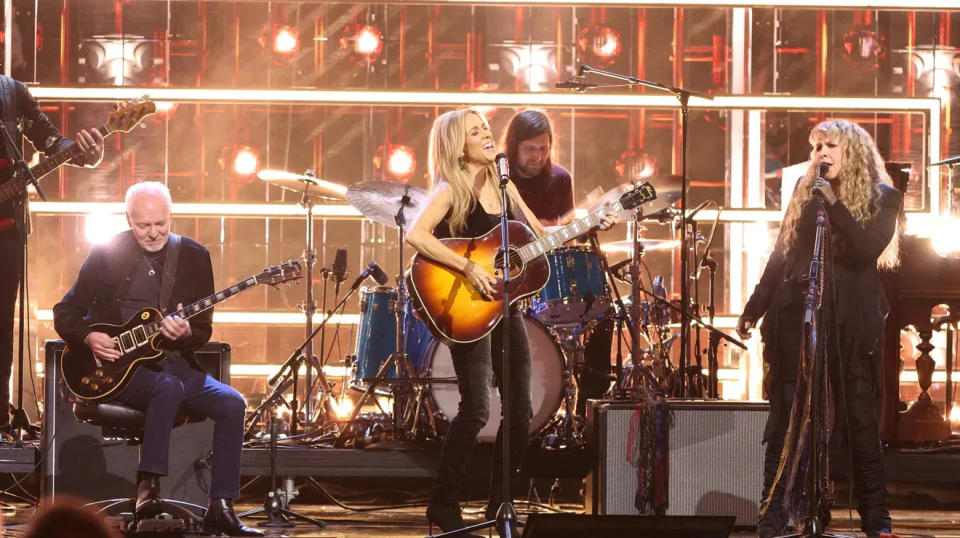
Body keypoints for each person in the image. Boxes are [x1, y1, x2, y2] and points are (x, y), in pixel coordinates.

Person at [406, 108, 614, 533]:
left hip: (506, 307)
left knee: (521, 409)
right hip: (467, 303)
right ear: (456, 145)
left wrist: (592, 222)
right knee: (477, 408)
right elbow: (417, 235)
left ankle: (500, 504)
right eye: (475, 132)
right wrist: (467, 268)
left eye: (486, 128)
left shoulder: (506, 189)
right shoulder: (452, 188)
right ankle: (444, 500)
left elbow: (541, 239)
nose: (486, 135)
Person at [53, 182, 262, 537]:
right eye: (143, 226)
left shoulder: (195, 256)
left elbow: (202, 329)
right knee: (166, 387)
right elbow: (65, 312)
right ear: (128, 220)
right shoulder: (106, 252)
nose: (153, 233)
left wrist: (187, 334)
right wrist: (88, 336)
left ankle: (221, 507)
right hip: (119, 371)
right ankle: (147, 489)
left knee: (232, 402)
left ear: (171, 217)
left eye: (160, 224)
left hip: (174, 364)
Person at [736, 120, 901, 538]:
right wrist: (755, 305)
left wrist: (834, 205)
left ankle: (877, 522)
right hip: (798, 317)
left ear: (854, 153)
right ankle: (770, 522)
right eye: (817, 147)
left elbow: (866, 250)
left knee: (860, 422)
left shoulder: (885, 197)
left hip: (850, 320)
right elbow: (782, 253)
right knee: (787, 423)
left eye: (831, 145)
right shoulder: (803, 192)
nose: (821, 154)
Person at [0, 75, 104, 429]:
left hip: (5, 236)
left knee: (1, 328)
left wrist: (85, 153)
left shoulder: (10, 94)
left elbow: (52, 142)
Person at [502, 108, 575, 227]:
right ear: (514, 147)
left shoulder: (561, 179)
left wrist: (555, 228)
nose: (538, 157)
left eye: (543, 148)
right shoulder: (496, 178)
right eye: (530, 148)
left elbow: (569, 237)